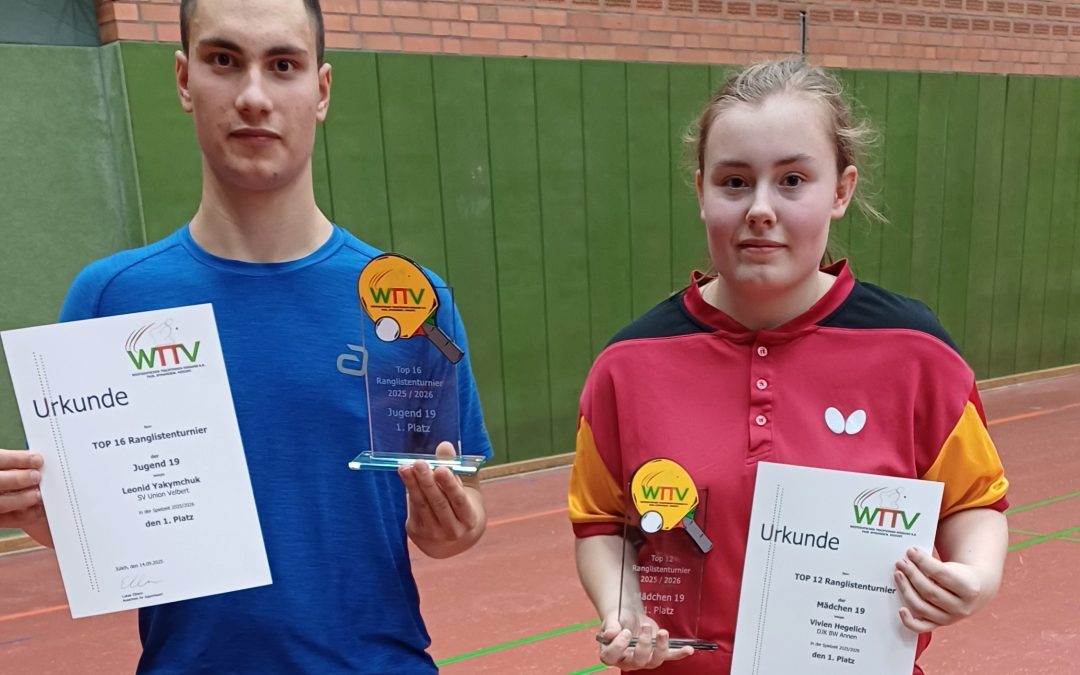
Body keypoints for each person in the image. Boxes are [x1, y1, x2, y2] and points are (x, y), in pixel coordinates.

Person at [0, 0, 491, 672]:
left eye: (282, 64)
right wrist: (44, 513)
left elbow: (457, 509)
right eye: (224, 61)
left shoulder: (411, 301)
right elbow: (106, 524)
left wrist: (455, 526)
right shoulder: (112, 298)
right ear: (183, 80)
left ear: (320, 90)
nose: (254, 95)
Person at [568, 59, 1008, 673]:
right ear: (701, 191)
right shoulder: (626, 366)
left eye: (794, 179)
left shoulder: (916, 350)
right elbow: (602, 523)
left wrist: (976, 576)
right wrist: (625, 612)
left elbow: (973, 502)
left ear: (841, 190)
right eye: (734, 181)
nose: (761, 209)